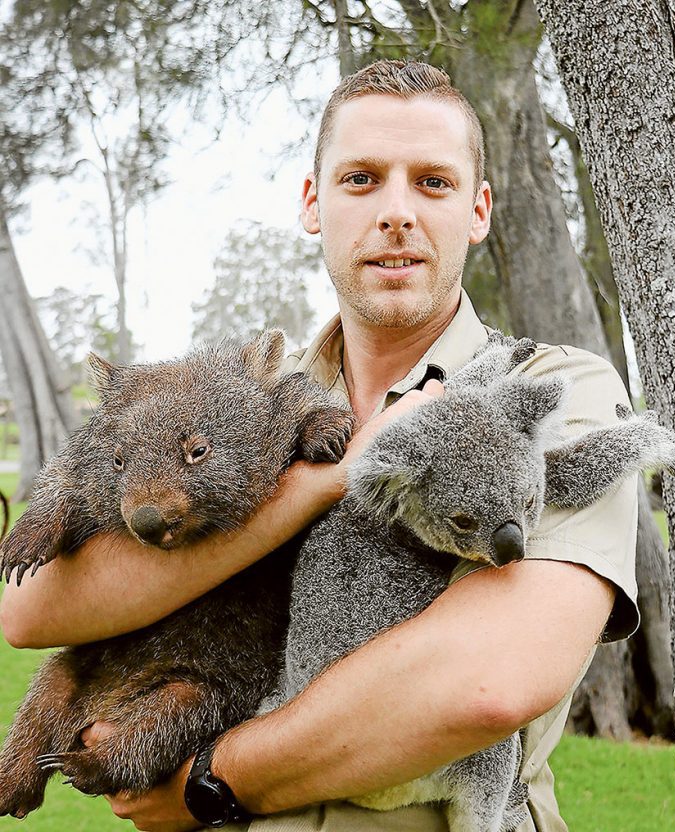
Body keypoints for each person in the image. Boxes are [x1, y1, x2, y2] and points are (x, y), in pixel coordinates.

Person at [0, 60, 639, 832]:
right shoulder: (256, 404)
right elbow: (31, 614)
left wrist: (215, 780)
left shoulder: (547, 394)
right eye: (362, 179)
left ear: (479, 211)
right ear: (314, 202)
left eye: (432, 182)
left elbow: (489, 682)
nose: (397, 212)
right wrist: (319, 484)